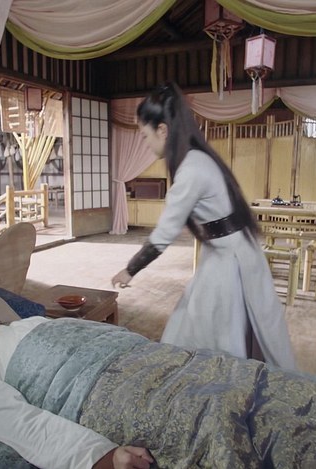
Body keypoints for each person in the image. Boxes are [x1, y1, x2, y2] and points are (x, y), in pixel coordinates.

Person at [111, 82, 295, 369]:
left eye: (145, 135)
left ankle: (223, 383)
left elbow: (164, 233)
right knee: (201, 325)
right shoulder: (197, 159)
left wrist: (129, 269)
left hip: (230, 261)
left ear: (162, 130)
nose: (145, 143)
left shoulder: (191, 170)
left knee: (211, 335)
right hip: (228, 253)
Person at [0, 280, 154, 469]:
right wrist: (100, 457)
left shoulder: (26, 323)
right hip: (105, 387)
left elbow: (95, 333)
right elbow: (14, 420)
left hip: (143, 358)